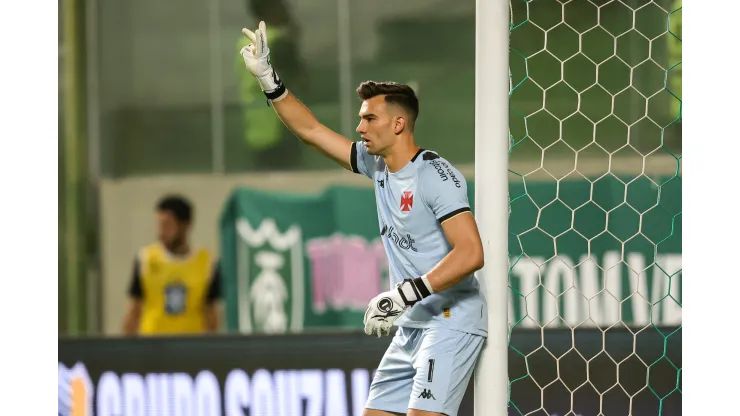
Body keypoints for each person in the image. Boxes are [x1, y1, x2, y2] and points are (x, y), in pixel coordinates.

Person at [239, 22, 488, 416]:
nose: (359, 127)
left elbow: (472, 253)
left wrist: (404, 294)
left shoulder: (435, 175)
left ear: (398, 124)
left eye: (369, 118)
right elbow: (311, 131)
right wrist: (271, 82)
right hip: (412, 325)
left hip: (448, 319)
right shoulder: (378, 166)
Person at [122, 195, 222, 336]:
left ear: (186, 225)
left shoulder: (206, 263)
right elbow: (133, 310)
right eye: (159, 225)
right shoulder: (146, 259)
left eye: (167, 225)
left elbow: (211, 313)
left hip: (190, 347)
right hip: (152, 347)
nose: (161, 232)